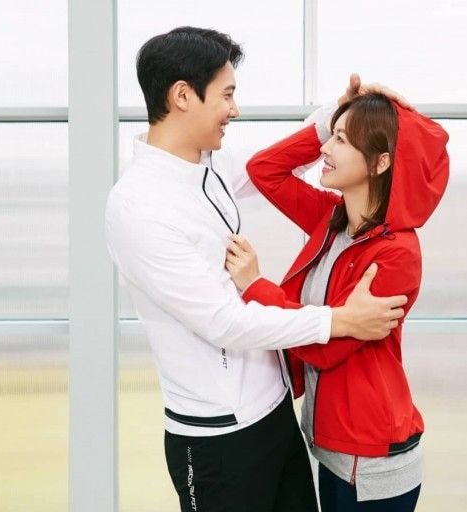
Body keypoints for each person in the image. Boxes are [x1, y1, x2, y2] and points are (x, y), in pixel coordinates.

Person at [105, 26, 408, 512]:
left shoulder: (208, 165)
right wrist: (340, 320)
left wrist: (338, 115)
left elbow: (267, 167)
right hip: (218, 439)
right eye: (226, 95)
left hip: (275, 414)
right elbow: (224, 322)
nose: (235, 109)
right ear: (182, 96)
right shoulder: (137, 207)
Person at [226, 89, 449, 511]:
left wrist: (255, 286)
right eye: (332, 136)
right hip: (332, 449)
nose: (325, 148)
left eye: (341, 140)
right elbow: (264, 170)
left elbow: (323, 347)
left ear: (381, 162)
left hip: (372, 466)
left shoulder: (397, 254)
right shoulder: (331, 219)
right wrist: (329, 118)